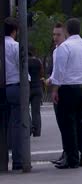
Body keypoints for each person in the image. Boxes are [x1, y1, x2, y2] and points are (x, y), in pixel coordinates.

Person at [50, 18, 82, 169]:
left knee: (68, 124)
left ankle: (72, 159)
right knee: (81, 123)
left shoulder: (64, 47)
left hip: (68, 88)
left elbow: (60, 71)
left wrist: (54, 89)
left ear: (67, 31)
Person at [4, 17, 24, 171]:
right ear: (14, 31)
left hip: (2, 87)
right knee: (17, 124)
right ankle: (18, 160)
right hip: (15, 86)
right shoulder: (15, 46)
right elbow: (22, 68)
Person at [47, 23, 67, 165]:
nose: (55, 37)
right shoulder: (56, 50)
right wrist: (50, 79)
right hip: (58, 86)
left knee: (65, 124)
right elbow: (56, 72)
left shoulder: (64, 49)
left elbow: (62, 73)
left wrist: (53, 85)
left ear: (65, 35)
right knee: (62, 125)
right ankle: (65, 152)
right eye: (54, 34)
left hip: (63, 89)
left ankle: (68, 154)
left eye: (58, 34)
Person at [28, 47, 44, 137]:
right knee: (36, 112)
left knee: (25, 110)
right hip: (37, 88)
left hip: (27, 88)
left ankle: (29, 127)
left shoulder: (25, 62)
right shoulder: (38, 61)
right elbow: (42, 73)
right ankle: (37, 132)